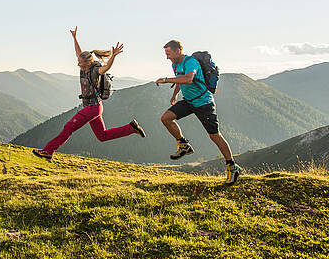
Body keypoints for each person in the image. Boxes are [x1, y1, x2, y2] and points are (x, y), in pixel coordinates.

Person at [32, 27, 145, 161]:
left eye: (80, 62)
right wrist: (74, 38)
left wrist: (113, 56)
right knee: (102, 136)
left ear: (87, 62)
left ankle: (48, 151)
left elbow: (107, 68)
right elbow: (78, 52)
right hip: (94, 107)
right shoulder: (83, 68)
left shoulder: (95, 70)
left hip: (93, 108)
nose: (77, 63)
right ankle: (131, 128)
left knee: (69, 127)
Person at [155, 40, 241, 185]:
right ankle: (183, 145)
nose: (167, 57)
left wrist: (165, 80)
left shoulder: (191, 62)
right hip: (189, 101)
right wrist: (175, 95)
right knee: (166, 118)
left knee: (215, 136)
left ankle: (232, 167)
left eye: (168, 53)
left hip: (203, 103)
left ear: (178, 51)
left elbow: (188, 79)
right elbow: (180, 80)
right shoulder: (175, 63)